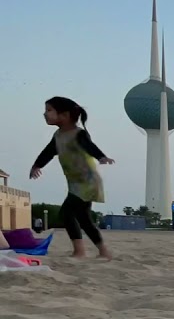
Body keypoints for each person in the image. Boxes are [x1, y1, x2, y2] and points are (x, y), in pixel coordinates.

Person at [30, 97, 113, 259]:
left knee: (67, 212)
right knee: (84, 218)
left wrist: (101, 157)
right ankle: (103, 251)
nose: (45, 114)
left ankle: (80, 251)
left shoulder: (78, 134)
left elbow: (89, 146)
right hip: (75, 183)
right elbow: (48, 152)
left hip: (87, 181)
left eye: (49, 110)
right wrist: (37, 165)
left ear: (65, 115)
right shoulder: (58, 136)